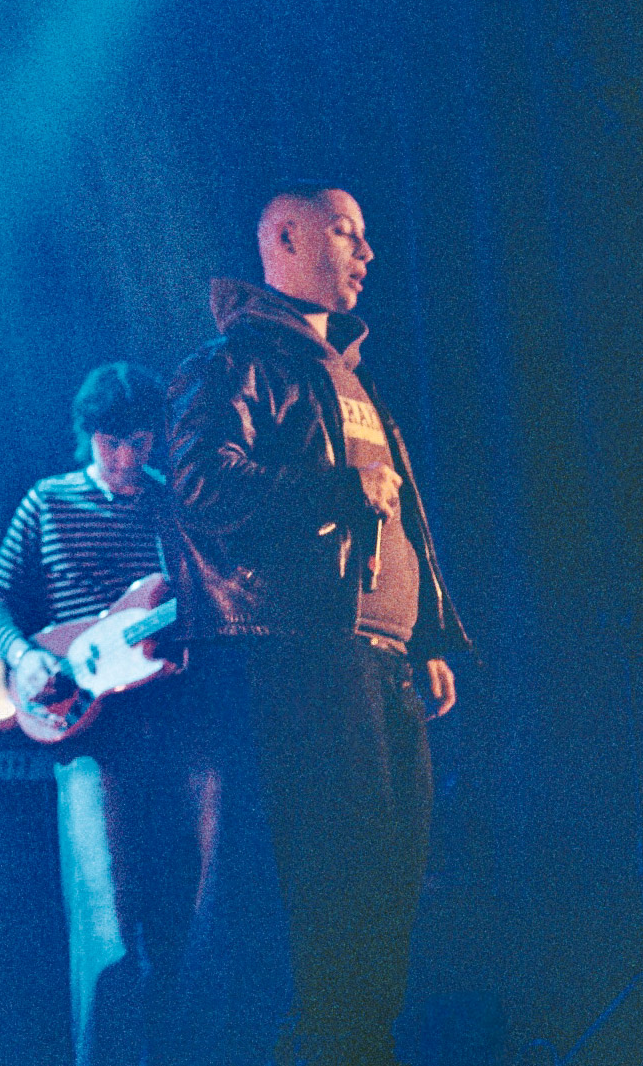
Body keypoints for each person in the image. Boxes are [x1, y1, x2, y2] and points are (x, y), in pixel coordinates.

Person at [165, 184, 471, 1066]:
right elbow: (200, 485)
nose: (366, 253)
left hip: (377, 655)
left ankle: (357, 1045)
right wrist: (335, 489)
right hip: (298, 656)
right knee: (332, 883)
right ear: (286, 239)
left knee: (394, 875)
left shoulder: (348, 376)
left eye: (366, 235)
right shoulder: (232, 363)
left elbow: (401, 515)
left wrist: (426, 633)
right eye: (345, 232)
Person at [0, 365, 285, 1066]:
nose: (125, 457)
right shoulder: (48, 500)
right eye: (111, 442)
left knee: (197, 916)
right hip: (89, 731)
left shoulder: (177, 505)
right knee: (106, 926)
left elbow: (214, 599)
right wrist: (24, 657)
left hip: (181, 724)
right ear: (87, 434)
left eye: (139, 442)